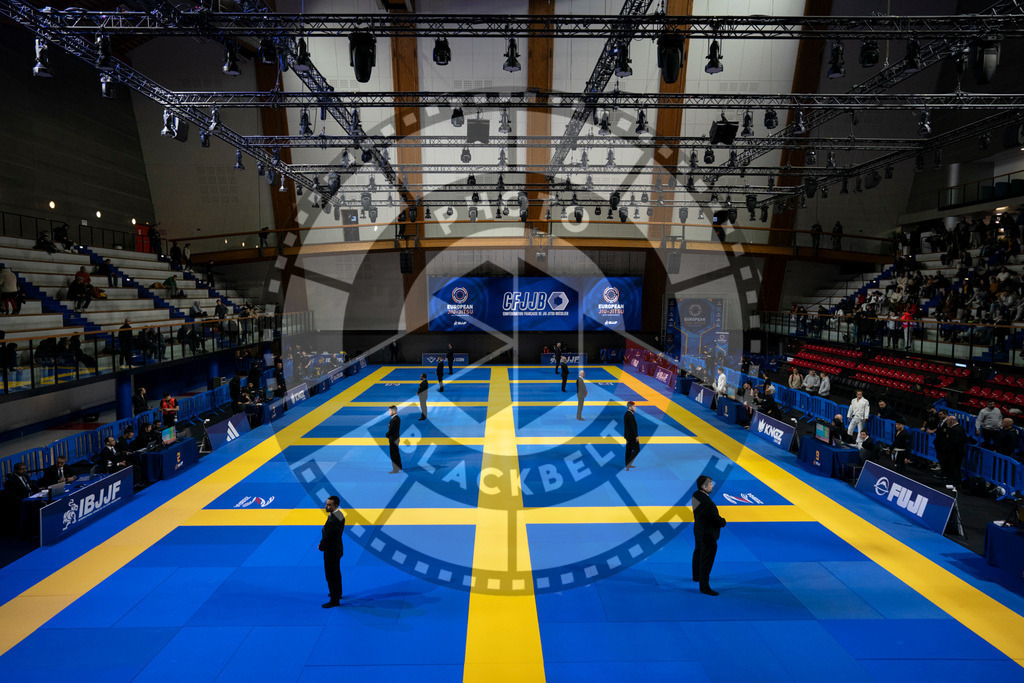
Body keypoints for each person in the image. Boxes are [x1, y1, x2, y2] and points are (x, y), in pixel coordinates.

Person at [691, 475, 726, 596]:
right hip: (708, 534)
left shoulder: (695, 495)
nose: (712, 485)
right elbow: (716, 520)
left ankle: (696, 576)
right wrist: (723, 521)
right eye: (710, 484)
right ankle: (704, 587)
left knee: (698, 553)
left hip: (698, 530)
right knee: (706, 560)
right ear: (703, 487)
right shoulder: (708, 504)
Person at [319, 495, 345, 608]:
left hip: (331, 551)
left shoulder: (333, 521)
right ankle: (337, 593)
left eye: (329, 505)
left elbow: (328, 537)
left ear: (336, 506)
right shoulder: (339, 514)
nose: (326, 506)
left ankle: (334, 599)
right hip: (337, 548)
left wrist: (321, 546)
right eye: (326, 504)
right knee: (336, 573)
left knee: (330, 575)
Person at [941, 415, 967, 483]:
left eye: (947, 421)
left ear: (952, 421)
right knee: (953, 466)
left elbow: (954, 442)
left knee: (955, 466)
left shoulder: (955, 430)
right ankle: (952, 479)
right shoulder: (960, 428)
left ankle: (956, 481)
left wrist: (947, 449)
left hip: (955, 452)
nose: (946, 423)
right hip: (956, 452)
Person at [624, 400, 640, 470]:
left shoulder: (626, 414)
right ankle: (629, 463)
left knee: (629, 450)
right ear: (630, 407)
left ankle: (627, 463)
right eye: (634, 406)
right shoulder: (630, 415)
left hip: (628, 436)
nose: (635, 408)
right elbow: (632, 427)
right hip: (632, 436)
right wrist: (636, 436)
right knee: (637, 449)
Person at [385, 405, 401, 473]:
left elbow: (391, 430)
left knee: (393, 454)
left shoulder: (394, 420)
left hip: (393, 439)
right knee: (396, 453)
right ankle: (399, 466)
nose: (389, 412)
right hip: (396, 438)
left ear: (393, 411)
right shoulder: (397, 418)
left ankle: (395, 469)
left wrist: (387, 434)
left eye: (390, 411)